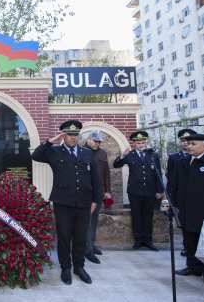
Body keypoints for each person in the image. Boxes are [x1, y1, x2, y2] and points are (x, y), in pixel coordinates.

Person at [31, 120, 101, 285]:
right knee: (63, 236)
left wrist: (96, 200)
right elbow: (36, 155)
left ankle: (79, 267)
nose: (73, 138)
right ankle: (66, 268)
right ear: (64, 135)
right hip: (62, 202)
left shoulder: (87, 153)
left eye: (76, 134)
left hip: (83, 202)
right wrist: (50, 141)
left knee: (80, 237)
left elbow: (95, 179)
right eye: (70, 134)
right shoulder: (55, 152)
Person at [113, 131, 163, 251]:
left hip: (150, 191)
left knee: (148, 216)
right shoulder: (130, 155)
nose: (141, 145)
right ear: (134, 143)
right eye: (139, 143)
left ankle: (148, 241)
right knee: (136, 216)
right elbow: (116, 165)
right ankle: (138, 240)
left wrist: (159, 190)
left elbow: (158, 173)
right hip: (135, 191)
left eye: (143, 142)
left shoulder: (153, 155)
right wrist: (123, 155)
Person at [171, 133, 204, 283]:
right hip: (186, 209)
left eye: (193, 144)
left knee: (202, 240)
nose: (189, 146)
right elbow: (174, 185)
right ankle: (193, 266)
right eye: (188, 143)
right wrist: (172, 204)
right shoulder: (182, 162)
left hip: (202, 210)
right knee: (189, 240)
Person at [166, 128, 197, 257]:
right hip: (181, 196)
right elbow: (171, 178)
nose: (186, 144)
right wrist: (170, 197)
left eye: (189, 141)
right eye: (183, 141)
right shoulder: (175, 158)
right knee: (185, 225)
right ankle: (187, 248)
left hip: (197, 197)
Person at [83, 130, 111, 264]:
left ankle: (91, 246)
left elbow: (106, 173)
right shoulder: (82, 151)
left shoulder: (102, 153)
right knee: (86, 222)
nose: (98, 143)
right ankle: (87, 250)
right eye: (96, 141)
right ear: (87, 139)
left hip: (98, 193)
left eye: (100, 141)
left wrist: (108, 190)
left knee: (93, 222)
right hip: (86, 193)